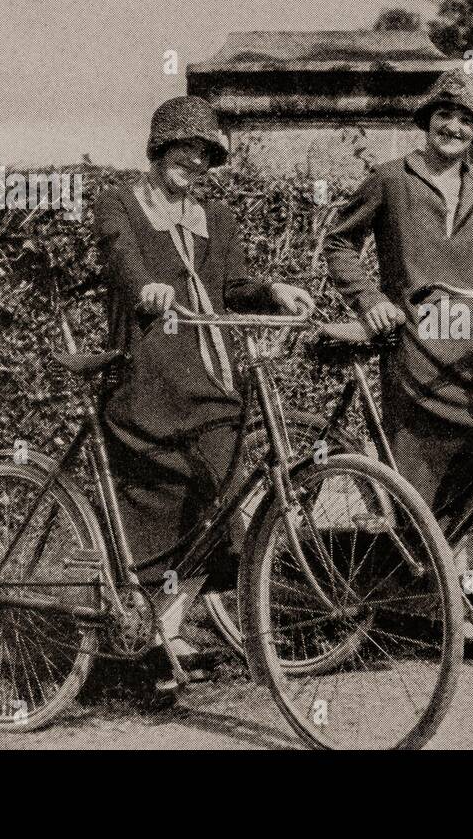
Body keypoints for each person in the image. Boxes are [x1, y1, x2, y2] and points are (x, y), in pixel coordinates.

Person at [92, 95, 313, 681]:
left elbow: (233, 288)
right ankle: (154, 630)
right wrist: (147, 289)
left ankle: (166, 622)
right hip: (146, 371)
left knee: (227, 486)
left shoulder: (216, 219)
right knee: (157, 492)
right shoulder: (120, 203)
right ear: (160, 149)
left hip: (206, 376)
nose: (194, 162)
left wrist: (271, 291)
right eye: (184, 149)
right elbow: (121, 260)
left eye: (204, 154)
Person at [323, 69, 473, 659]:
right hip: (413, 349)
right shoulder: (390, 180)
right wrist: (370, 298)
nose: (454, 126)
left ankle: (438, 602)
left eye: (466, 119)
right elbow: (337, 241)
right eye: (445, 114)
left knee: (470, 477)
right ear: (427, 119)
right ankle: (435, 613)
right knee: (419, 480)